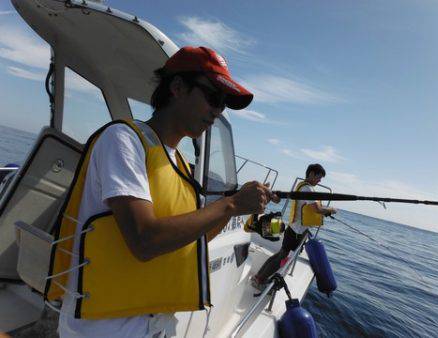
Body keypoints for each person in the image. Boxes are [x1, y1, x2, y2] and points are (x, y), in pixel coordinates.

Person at [49, 46, 279, 338]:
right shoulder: (123, 140)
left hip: (154, 327)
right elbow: (144, 240)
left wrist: (235, 206)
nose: (218, 111)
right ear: (178, 88)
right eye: (213, 98)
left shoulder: (179, 163)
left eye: (223, 104)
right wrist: (231, 205)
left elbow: (195, 237)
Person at [251, 163, 336, 290]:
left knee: (280, 254)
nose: (319, 180)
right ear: (311, 174)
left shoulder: (301, 186)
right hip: (297, 231)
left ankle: (258, 277)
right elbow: (317, 209)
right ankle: (259, 280)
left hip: (294, 228)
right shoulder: (307, 189)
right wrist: (331, 209)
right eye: (319, 177)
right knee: (282, 256)